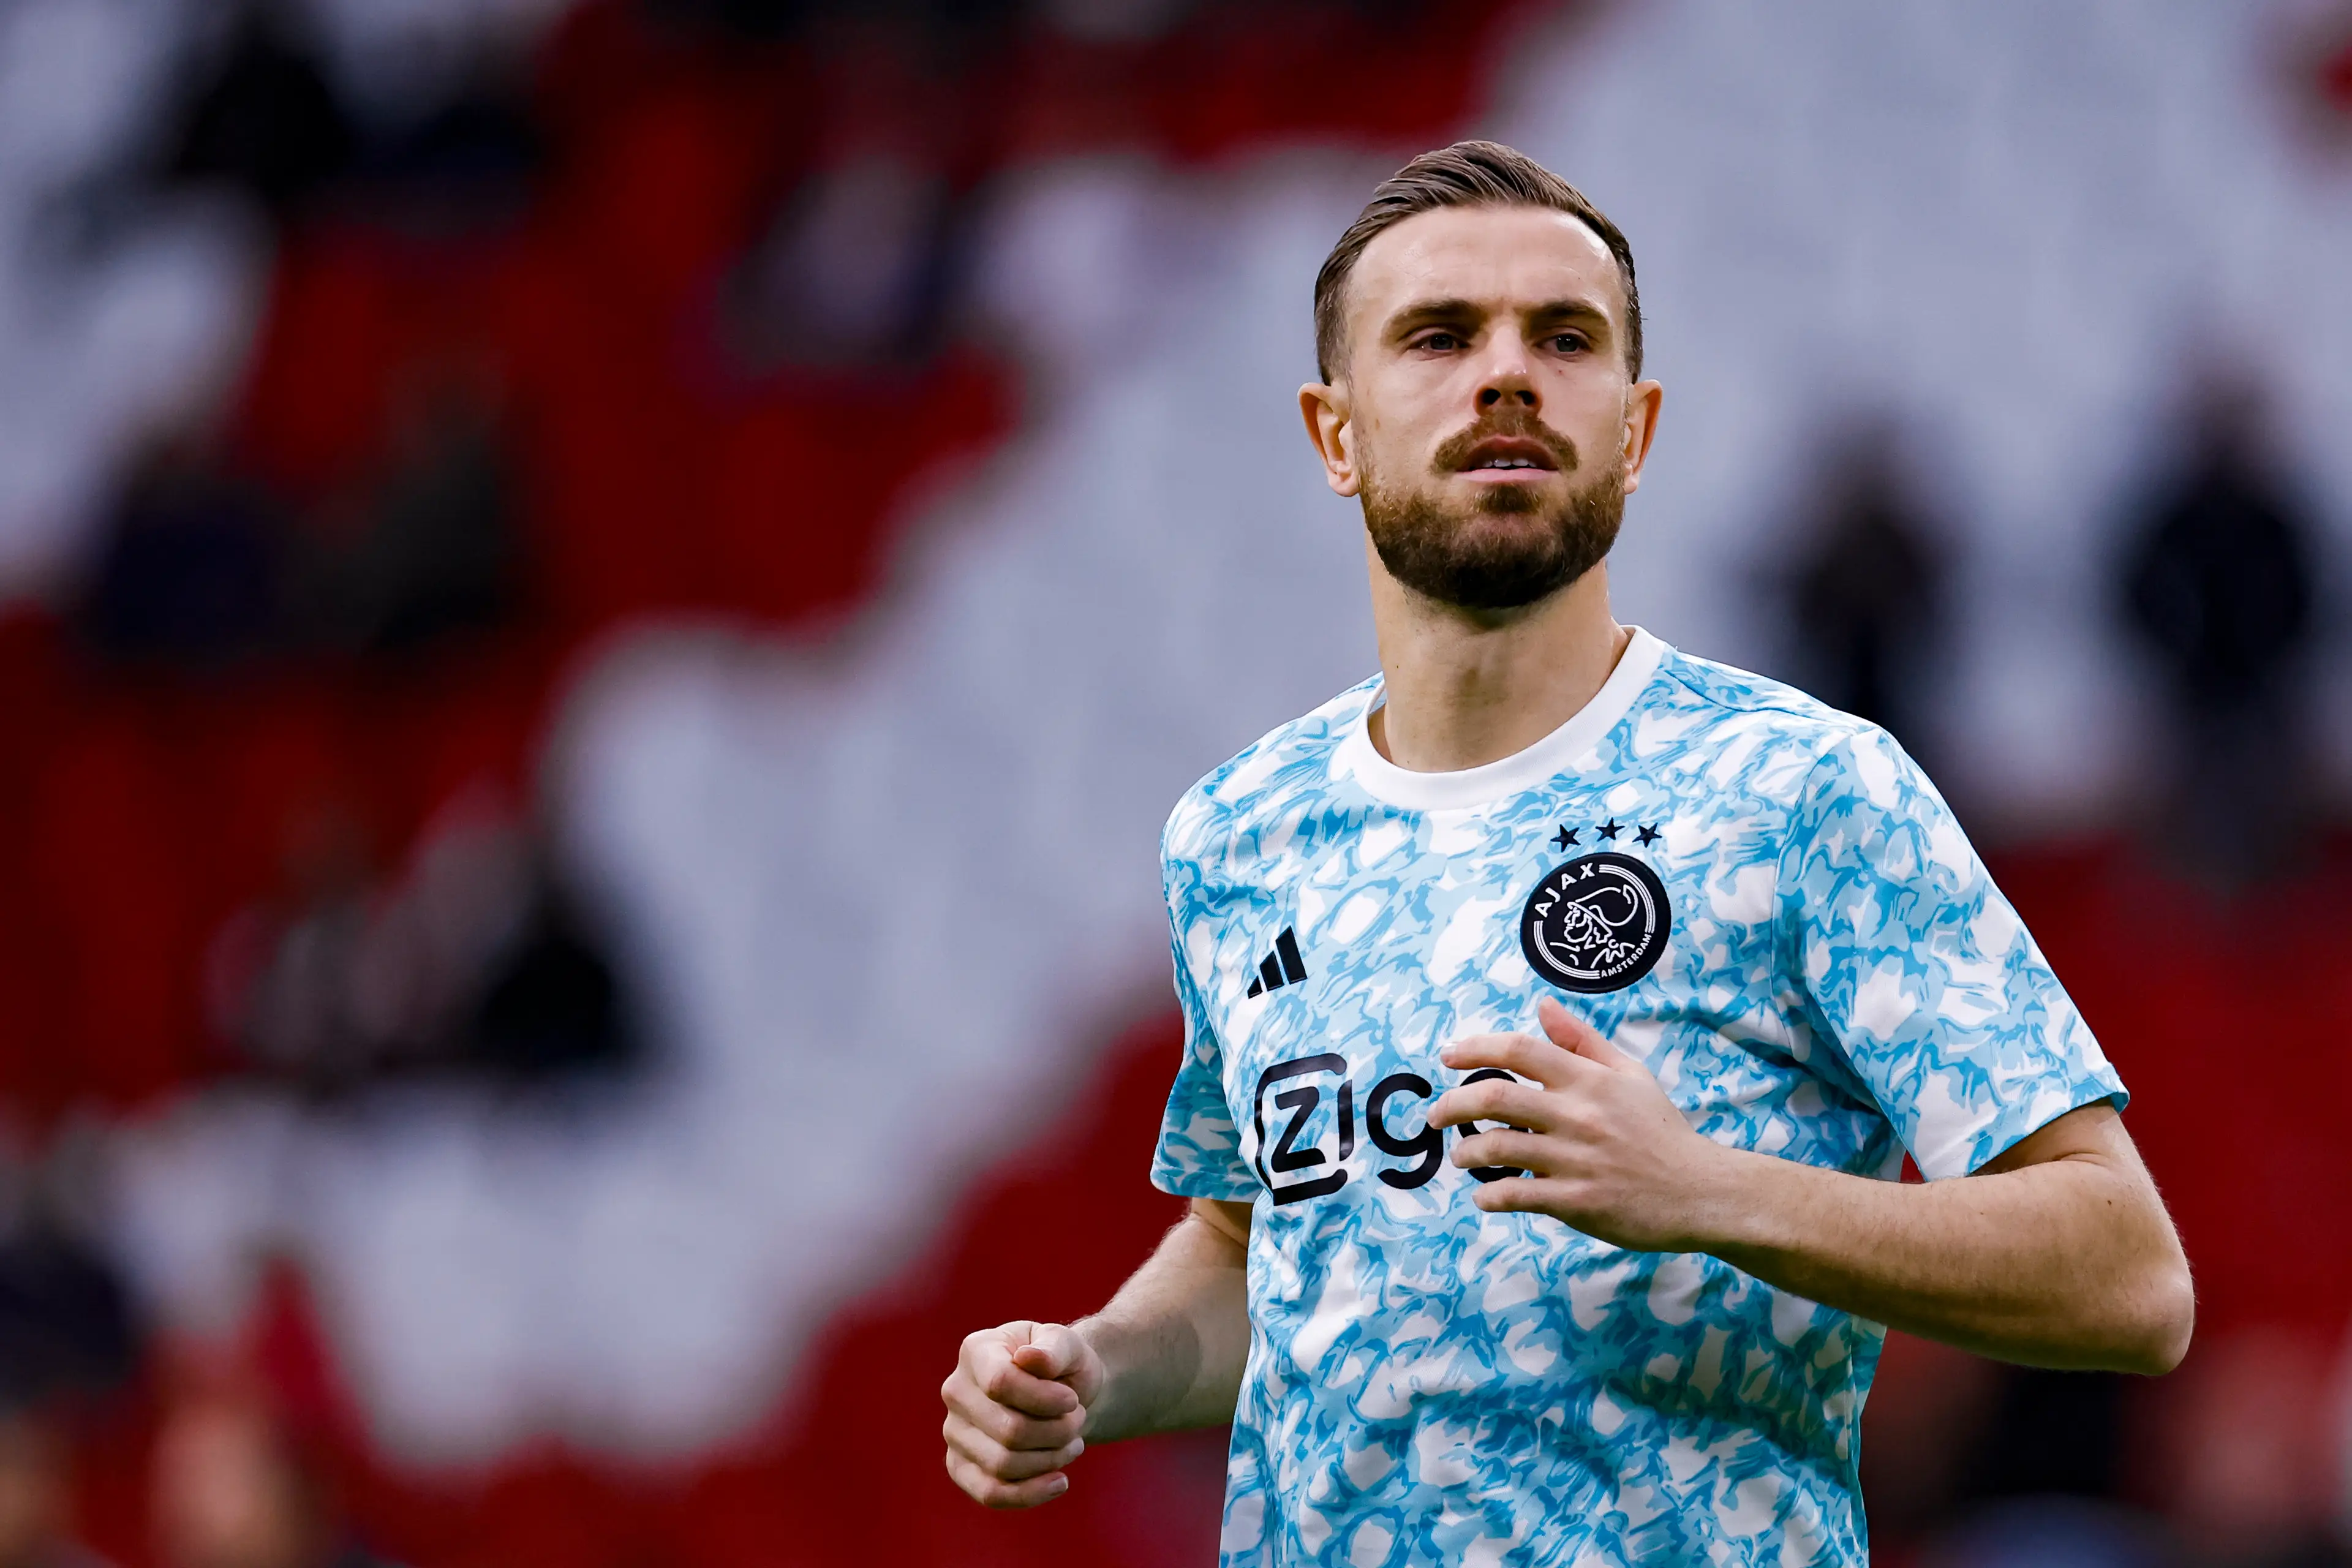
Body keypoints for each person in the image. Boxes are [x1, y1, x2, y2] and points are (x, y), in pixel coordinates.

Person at [939, 141, 2193, 1566]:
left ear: (1637, 426)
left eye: (1564, 337)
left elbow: (2129, 1272)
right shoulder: (1241, 831)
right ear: (1333, 431)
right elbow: (1253, 1259)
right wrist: (1096, 1366)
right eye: (1438, 335)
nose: (1507, 373)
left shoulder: (1801, 789)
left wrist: (1712, 1189)